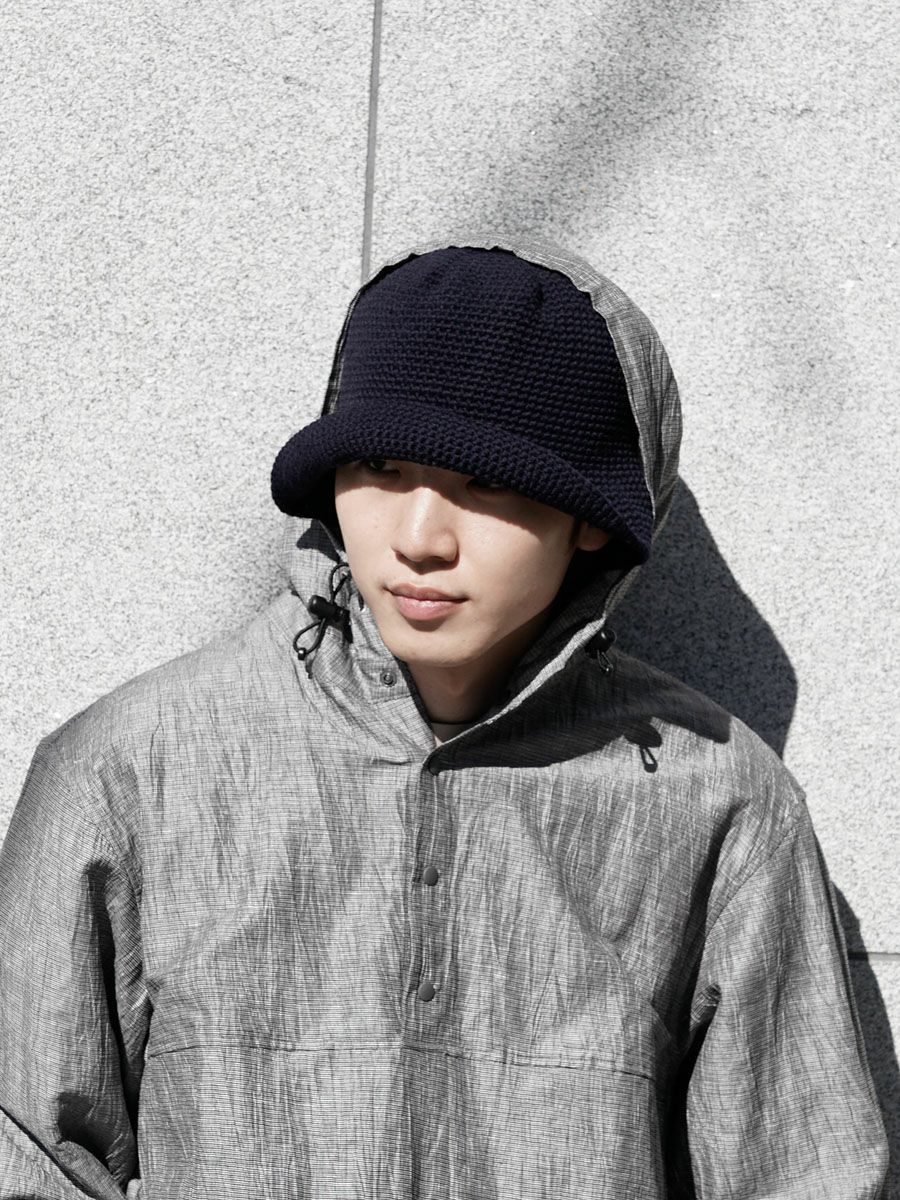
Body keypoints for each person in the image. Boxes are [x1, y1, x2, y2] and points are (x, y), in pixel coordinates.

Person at [0, 232, 889, 1199]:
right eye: (381, 466)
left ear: (590, 519)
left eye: (486, 482)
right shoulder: (130, 770)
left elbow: (808, 1176)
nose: (420, 538)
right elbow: (28, 1156)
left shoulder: (718, 803)